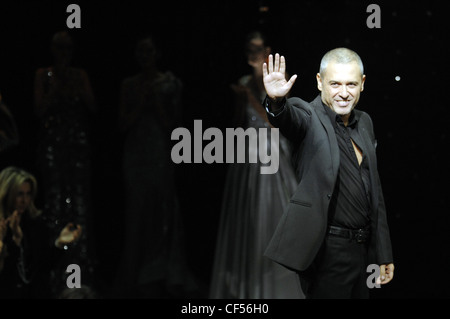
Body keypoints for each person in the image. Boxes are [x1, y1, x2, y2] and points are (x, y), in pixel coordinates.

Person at [261, 49, 394, 299]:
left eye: (351, 84)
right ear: (320, 82)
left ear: (362, 84)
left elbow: (375, 191)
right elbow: (288, 118)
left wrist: (383, 253)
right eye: (335, 84)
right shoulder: (308, 116)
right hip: (328, 253)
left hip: (362, 252)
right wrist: (277, 102)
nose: (344, 93)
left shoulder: (365, 121)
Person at [209, 31, 302, 299]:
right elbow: (239, 122)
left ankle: (280, 282)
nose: (253, 52)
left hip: (272, 150)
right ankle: (249, 285)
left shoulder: (272, 80)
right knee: (248, 213)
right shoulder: (242, 83)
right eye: (249, 47)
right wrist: (240, 101)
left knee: (274, 209)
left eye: (258, 48)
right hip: (248, 151)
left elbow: (274, 118)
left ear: (267, 50)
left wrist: (249, 95)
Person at [113, 36, 198, 298]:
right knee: (137, 211)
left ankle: (162, 271)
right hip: (136, 153)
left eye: (149, 50)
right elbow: (121, 124)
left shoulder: (169, 83)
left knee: (163, 210)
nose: (144, 55)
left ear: (156, 53)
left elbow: (175, 125)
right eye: (140, 51)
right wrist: (141, 102)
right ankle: (137, 272)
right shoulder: (129, 85)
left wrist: (156, 102)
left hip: (161, 151)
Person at [33, 30, 96, 294]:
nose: (63, 54)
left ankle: (81, 268)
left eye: (68, 48)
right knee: (56, 205)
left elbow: (93, 108)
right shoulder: (44, 75)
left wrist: (77, 89)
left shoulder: (79, 75)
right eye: (59, 48)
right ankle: (56, 271)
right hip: (53, 146)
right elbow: (38, 110)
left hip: (76, 145)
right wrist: (55, 89)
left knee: (79, 205)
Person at [0, 166, 82, 298]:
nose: (24, 200)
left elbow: (42, 265)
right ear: (7, 193)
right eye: (19, 194)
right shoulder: (2, 227)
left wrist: (59, 244)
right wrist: (13, 240)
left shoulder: (34, 223)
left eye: (28, 194)